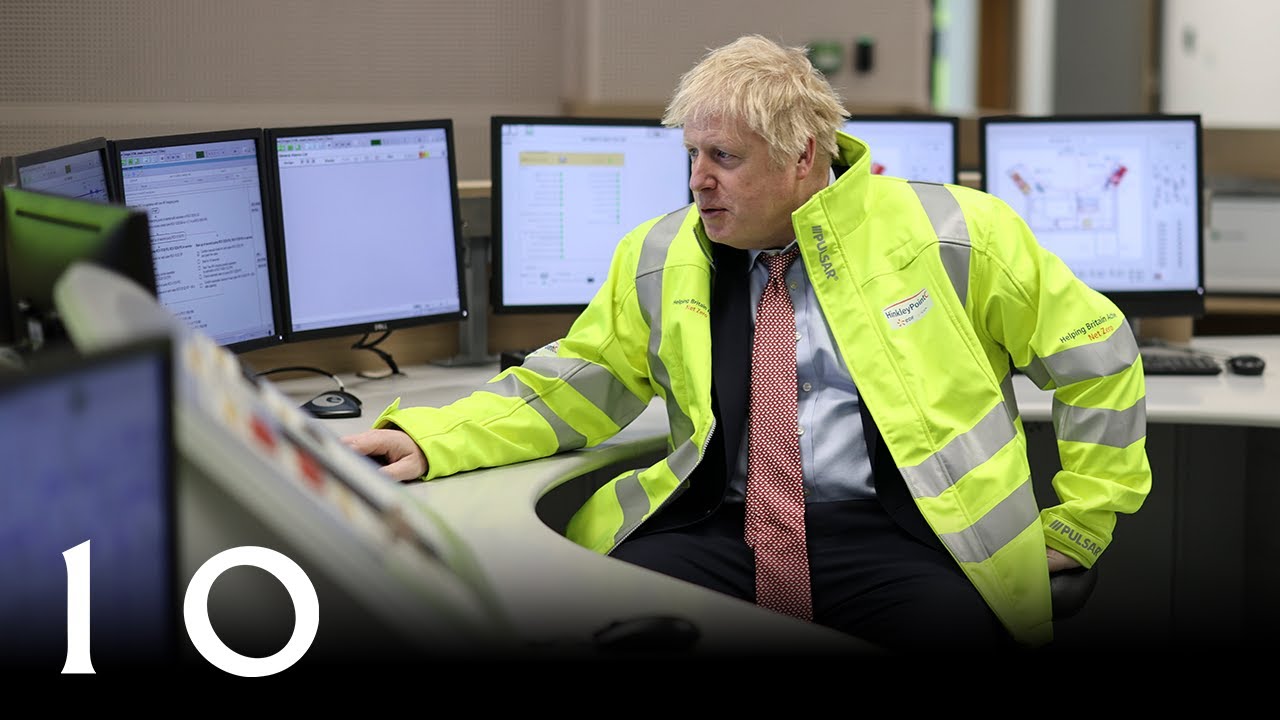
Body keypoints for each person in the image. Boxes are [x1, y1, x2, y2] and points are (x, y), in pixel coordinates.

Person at [343, 34, 1151, 654]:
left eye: (724, 158)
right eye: (692, 155)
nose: (698, 179)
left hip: (911, 535)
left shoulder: (954, 234)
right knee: (593, 624)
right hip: (721, 528)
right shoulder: (663, 253)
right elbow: (576, 381)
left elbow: (1100, 355)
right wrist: (431, 438)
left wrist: (1081, 522)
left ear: (803, 157)